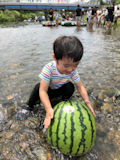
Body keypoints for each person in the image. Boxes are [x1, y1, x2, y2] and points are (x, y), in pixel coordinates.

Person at [16, 36, 95, 129]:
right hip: (48, 91)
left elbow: (80, 87)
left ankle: (63, 102)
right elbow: (43, 91)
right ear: (55, 58)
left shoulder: (73, 71)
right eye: (66, 65)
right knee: (38, 88)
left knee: (70, 86)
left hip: (59, 90)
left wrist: (87, 102)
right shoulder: (49, 69)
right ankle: (28, 107)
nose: (70, 69)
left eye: (75, 65)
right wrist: (48, 109)